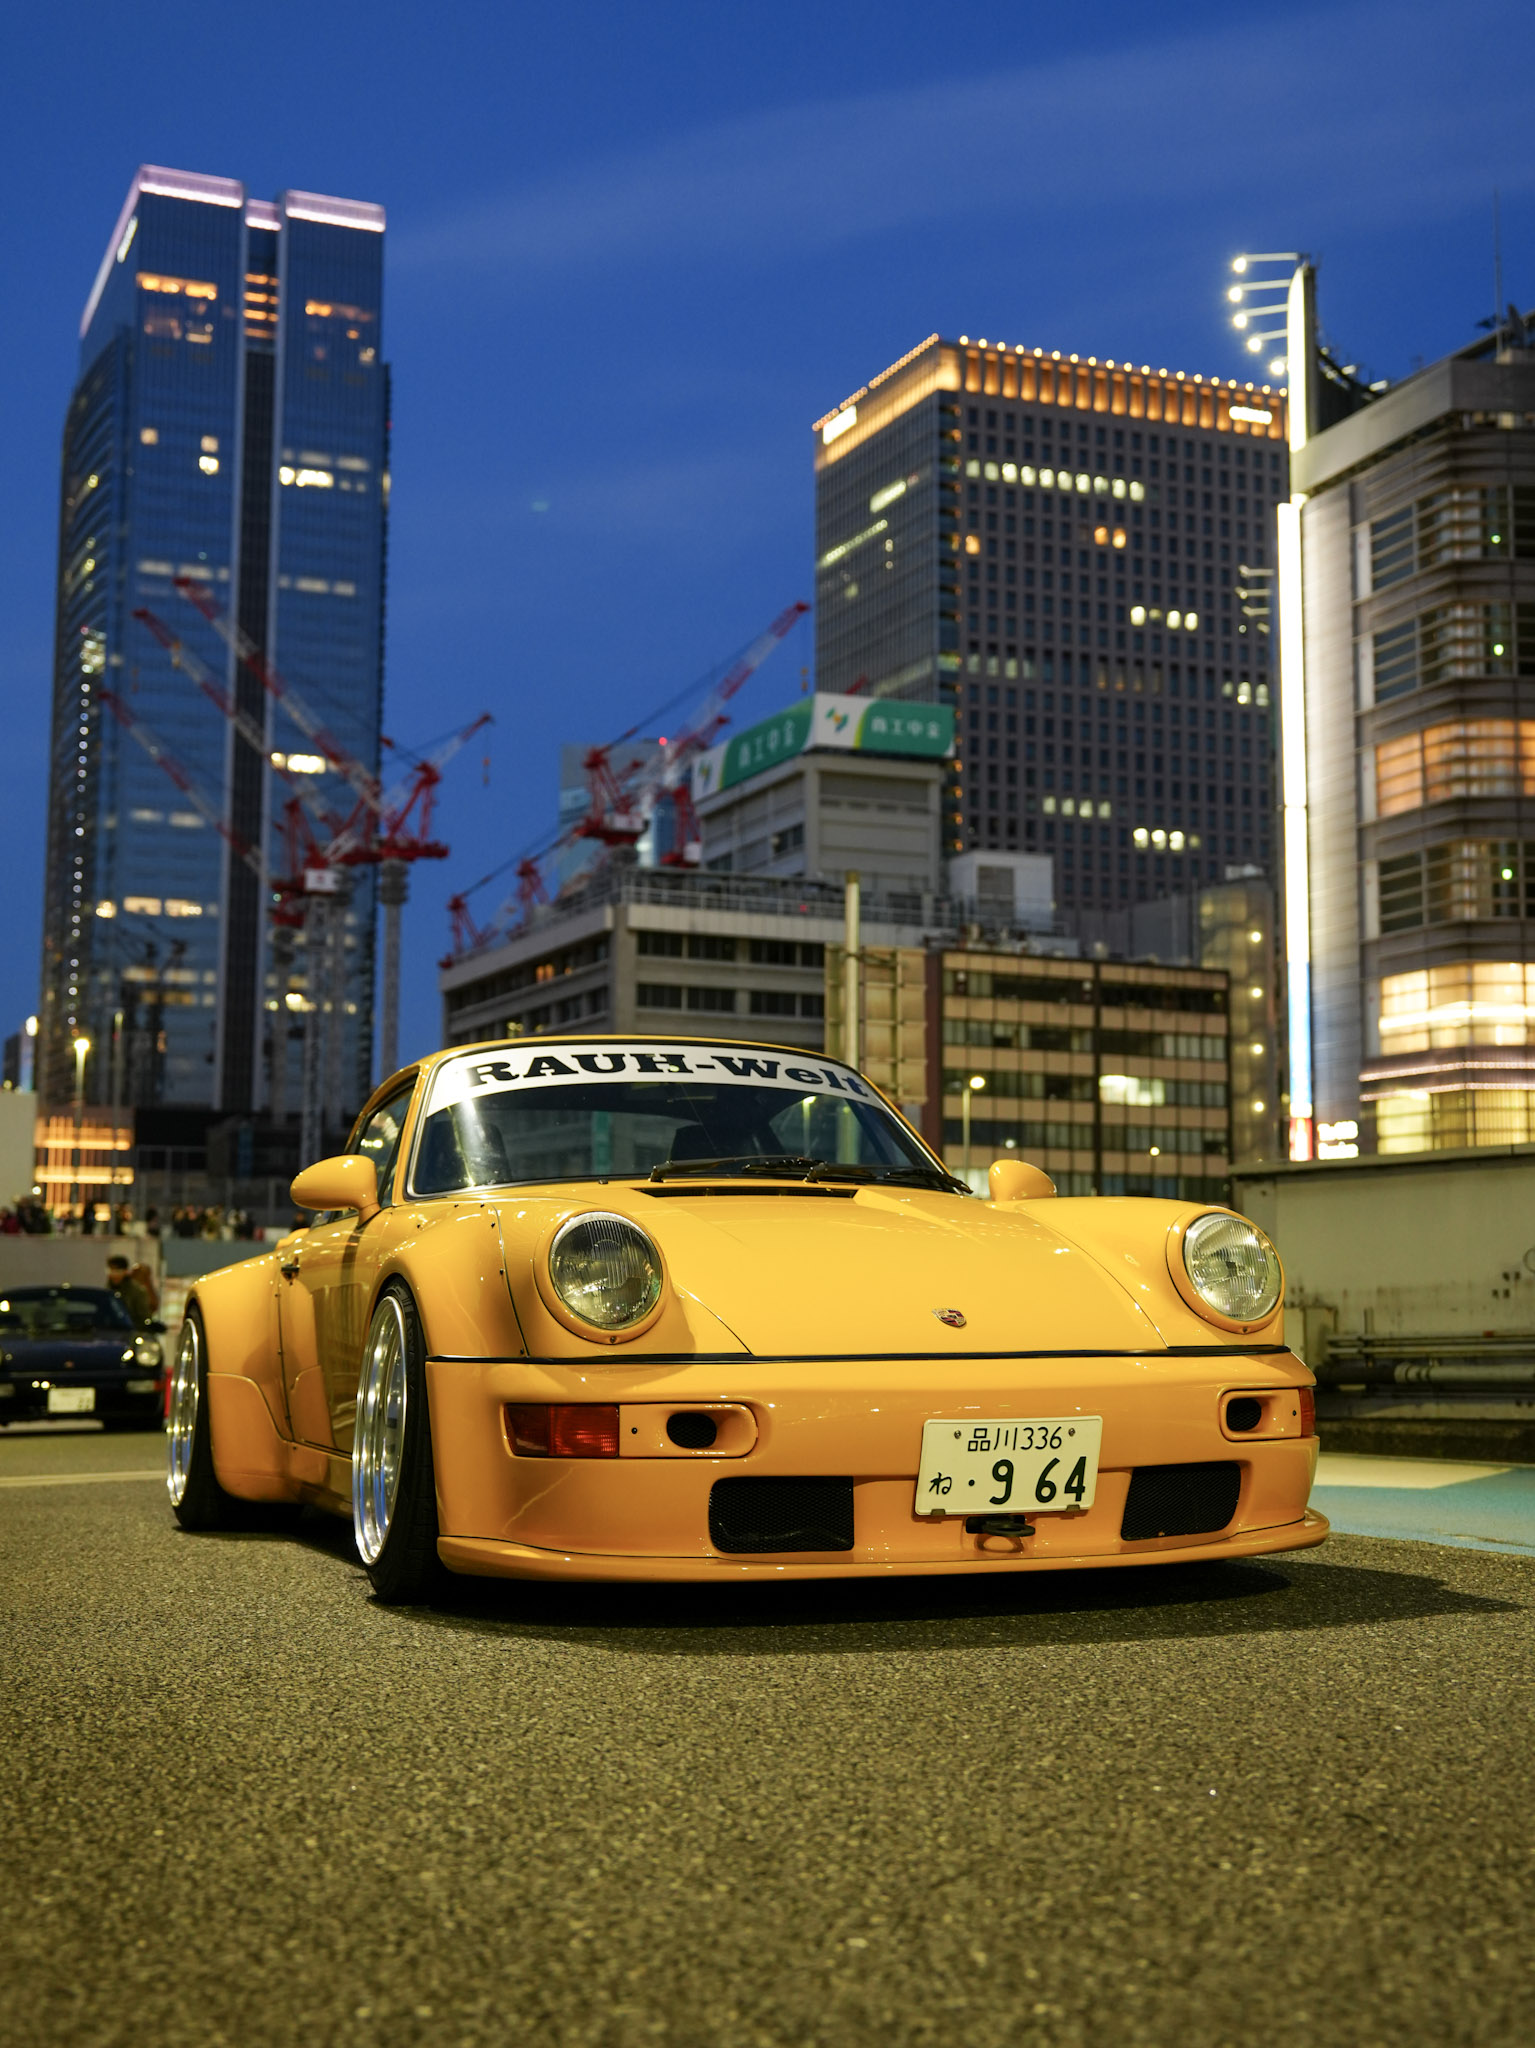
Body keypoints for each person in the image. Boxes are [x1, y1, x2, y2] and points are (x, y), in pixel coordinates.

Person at [106, 1253, 158, 1327]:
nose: (114, 1275)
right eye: (111, 1271)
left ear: (125, 1271)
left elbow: (144, 1316)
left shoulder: (136, 1291)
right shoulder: (108, 1290)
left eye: (117, 1271)